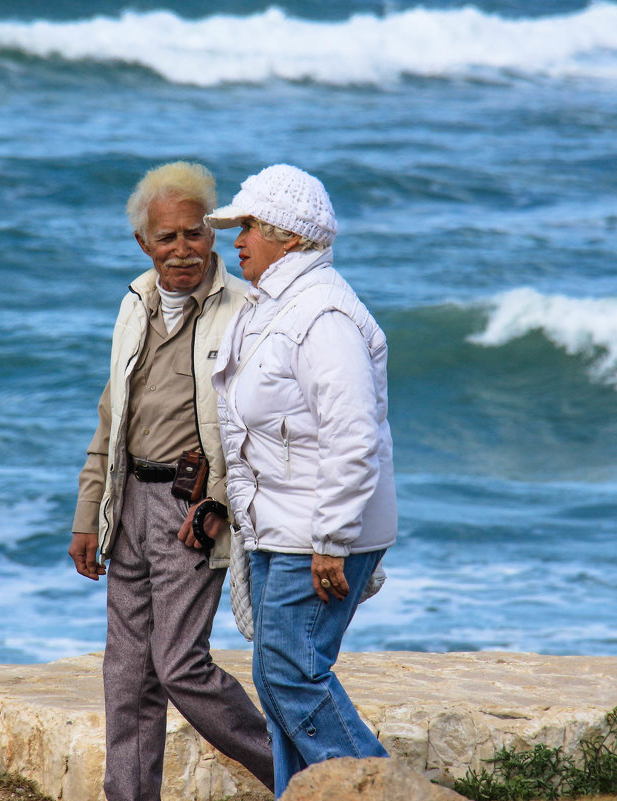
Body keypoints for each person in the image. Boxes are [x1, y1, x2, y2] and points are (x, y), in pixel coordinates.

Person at [68, 161, 274, 801]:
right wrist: (88, 511)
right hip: (127, 502)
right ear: (144, 244)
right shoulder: (134, 302)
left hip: (191, 507)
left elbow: (257, 426)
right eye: (168, 238)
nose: (182, 249)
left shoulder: (244, 309)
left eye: (194, 233)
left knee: (181, 665)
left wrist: (219, 500)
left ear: (211, 234)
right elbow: (113, 416)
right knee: (127, 672)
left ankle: (297, 774)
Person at [204, 163, 398, 798]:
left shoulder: (323, 316)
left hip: (314, 533)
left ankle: (381, 789)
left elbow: (353, 438)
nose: (237, 241)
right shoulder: (274, 307)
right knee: (279, 675)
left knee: (290, 676)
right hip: (280, 529)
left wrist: (331, 540)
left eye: (250, 227)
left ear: (289, 236)